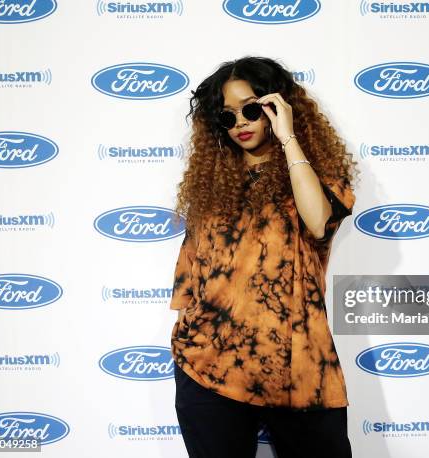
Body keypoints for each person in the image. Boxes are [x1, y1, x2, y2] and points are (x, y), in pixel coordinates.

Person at [169, 55, 359, 458]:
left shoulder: (314, 175)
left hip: (298, 367)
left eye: (252, 109)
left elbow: (318, 222)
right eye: (227, 117)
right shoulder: (212, 187)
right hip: (209, 368)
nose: (239, 122)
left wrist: (288, 137)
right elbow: (190, 278)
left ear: (278, 105)